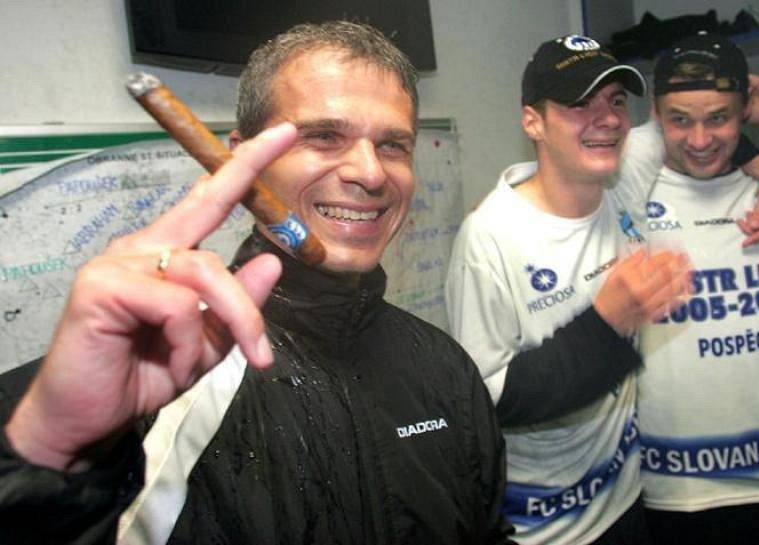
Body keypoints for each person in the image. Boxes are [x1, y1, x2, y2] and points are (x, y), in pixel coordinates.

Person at [0, 21, 514, 545]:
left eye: (392, 145)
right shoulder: (164, 370)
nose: (370, 172)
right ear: (240, 160)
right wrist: (49, 446)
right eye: (323, 137)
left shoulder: (445, 366)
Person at [445, 34, 695, 545]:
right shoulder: (489, 238)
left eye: (616, 101)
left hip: (624, 499)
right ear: (533, 121)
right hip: (545, 527)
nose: (608, 119)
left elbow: (695, 120)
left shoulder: (620, 182)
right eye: (580, 103)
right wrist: (606, 325)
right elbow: (484, 402)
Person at [617, 32, 759, 545]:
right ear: (656, 116)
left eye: (719, 118)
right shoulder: (625, 194)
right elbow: (555, 171)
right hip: (672, 491)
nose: (700, 140)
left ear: (746, 112)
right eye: (680, 120)